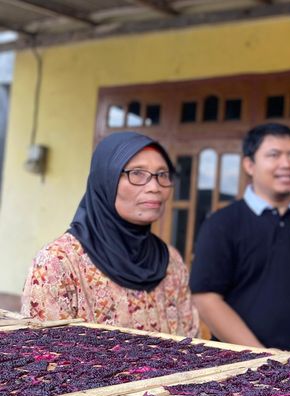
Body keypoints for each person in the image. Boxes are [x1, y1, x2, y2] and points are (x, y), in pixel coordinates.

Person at [22, 132, 198, 337]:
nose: (154, 187)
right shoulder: (59, 263)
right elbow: (43, 355)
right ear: (106, 179)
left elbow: (192, 343)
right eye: (137, 173)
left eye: (162, 174)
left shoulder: (171, 262)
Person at [190, 123, 290, 350]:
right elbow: (206, 298)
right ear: (249, 164)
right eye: (274, 155)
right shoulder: (221, 223)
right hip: (235, 362)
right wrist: (259, 354)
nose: (287, 164)